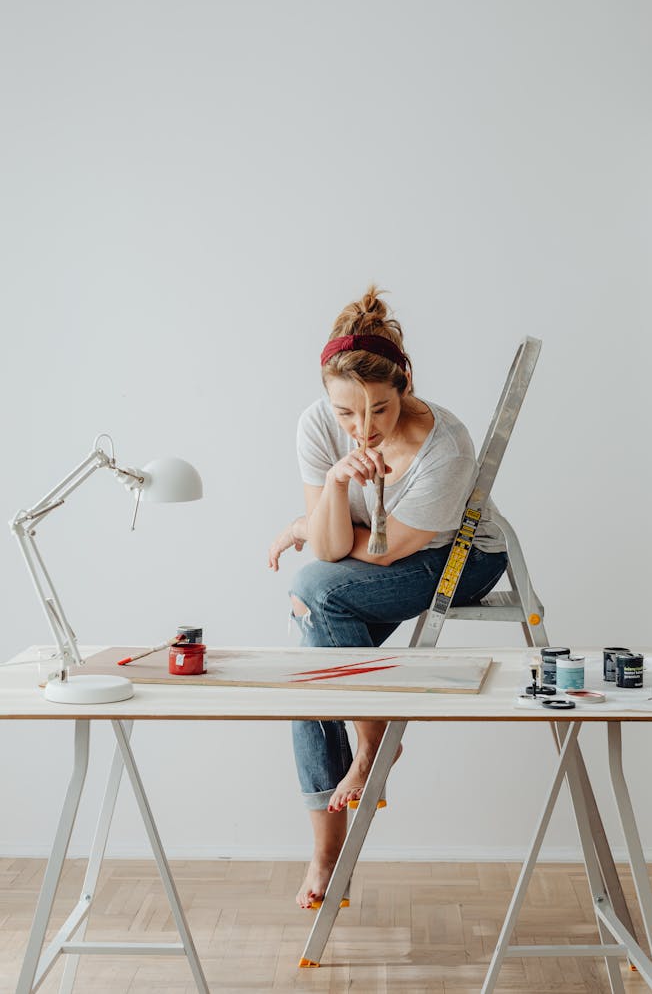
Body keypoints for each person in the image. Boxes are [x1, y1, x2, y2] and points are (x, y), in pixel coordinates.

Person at [268, 286, 508, 909]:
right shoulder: (318, 426)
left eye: (378, 409)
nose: (363, 428)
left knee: (311, 592)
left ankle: (374, 743)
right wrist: (332, 481)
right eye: (347, 413)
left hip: (462, 557)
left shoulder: (444, 447)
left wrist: (303, 527)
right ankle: (327, 857)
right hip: (369, 554)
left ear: (403, 384)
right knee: (308, 672)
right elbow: (331, 547)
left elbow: (378, 553)